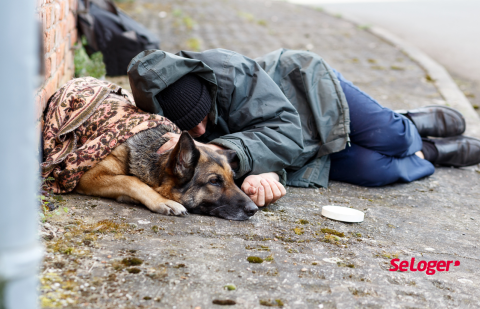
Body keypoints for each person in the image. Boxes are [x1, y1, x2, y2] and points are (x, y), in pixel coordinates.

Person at [127, 48, 480, 207]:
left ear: (206, 90)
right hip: (289, 150)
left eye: (204, 117)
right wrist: (257, 174)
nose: (201, 132)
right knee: (377, 170)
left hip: (309, 96)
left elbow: (284, 128)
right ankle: (431, 152)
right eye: (191, 127)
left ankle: (408, 123)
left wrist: (226, 152)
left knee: (393, 138)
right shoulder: (164, 119)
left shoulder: (229, 70)